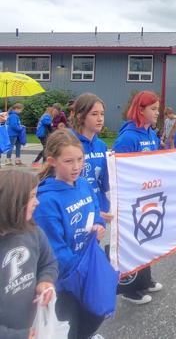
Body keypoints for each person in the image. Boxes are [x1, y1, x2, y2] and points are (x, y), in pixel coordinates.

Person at [33, 130, 107, 339]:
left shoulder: (83, 184)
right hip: (66, 278)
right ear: (52, 161)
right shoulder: (47, 201)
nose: (76, 167)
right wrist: (79, 272)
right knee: (70, 323)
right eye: (68, 161)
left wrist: (99, 225)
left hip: (88, 265)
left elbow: (95, 209)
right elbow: (54, 248)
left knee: (96, 311)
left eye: (80, 159)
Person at [113, 91, 163, 304]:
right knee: (132, 242)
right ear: (140, 110)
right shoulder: (128, 137)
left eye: (158, 109)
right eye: (153, 109)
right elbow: (118, 169)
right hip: (131, 198)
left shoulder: (151, 134)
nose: (157, 113)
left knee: (146, 239)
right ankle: (129, 288)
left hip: (148, 195)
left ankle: (144, 280)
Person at [0, 169, 58, 339]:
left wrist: (45, 281)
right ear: (12, 202)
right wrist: (15, 336)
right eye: (32, 196)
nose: (37, 202)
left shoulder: (33, 231)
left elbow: (48, 262)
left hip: (32, 324)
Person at [71, 94, 113, 223]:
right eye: (94, 114)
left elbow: (106, 183)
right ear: (80, 116)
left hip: (99, 208)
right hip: (77, 210)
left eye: (102, 114)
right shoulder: (69, 143)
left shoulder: (101, 146)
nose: (100, 119)